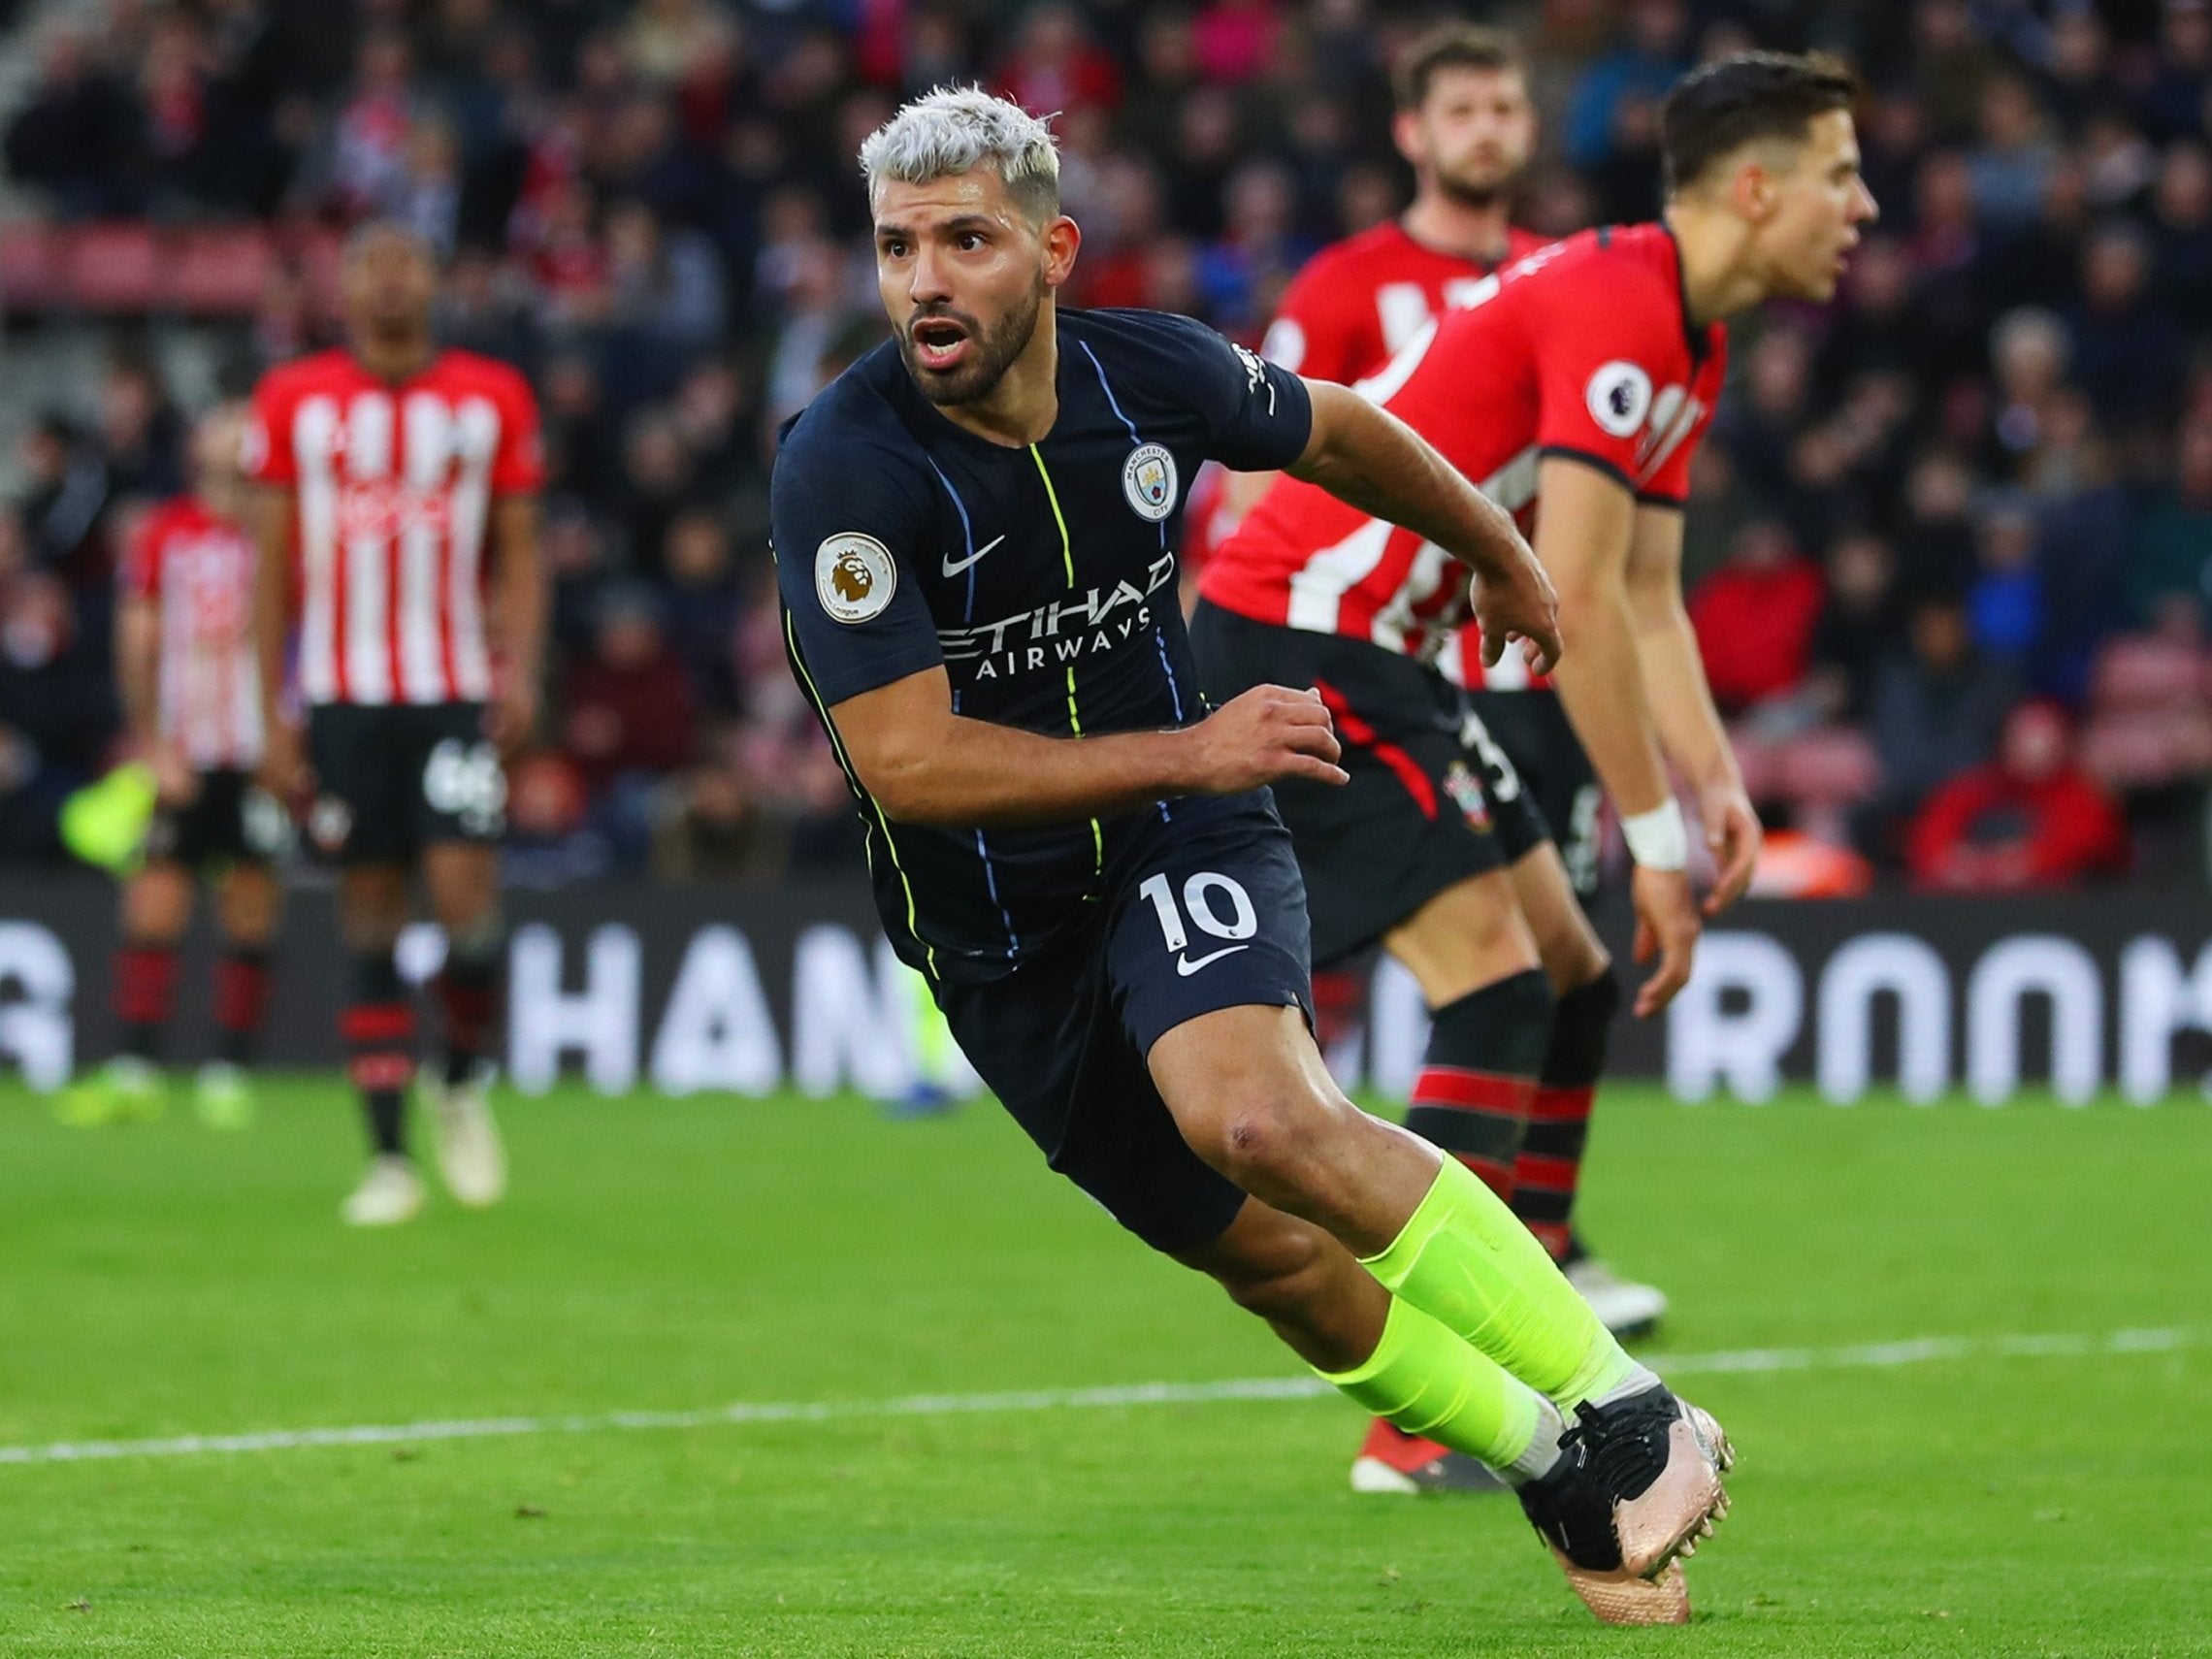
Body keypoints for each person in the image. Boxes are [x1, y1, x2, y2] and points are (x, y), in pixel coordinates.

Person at [772, 86, 1732, 1627]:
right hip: (1003, 942)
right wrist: (1196, 743)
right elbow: (904, 763)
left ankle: (1629, 1408)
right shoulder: (844, 468)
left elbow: (1341, 428)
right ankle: (1554, 1462)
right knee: (1273, 1265)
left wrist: (1497, 545)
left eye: (967, 240)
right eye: (897, 249)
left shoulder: (1142, 371)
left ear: (1055, 250)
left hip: (1173, 837)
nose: (926, 283)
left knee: (1262, 1120)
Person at [1196, 49, 1872, 1485]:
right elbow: (1569, 602)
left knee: (1565, 973)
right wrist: (1662, 848)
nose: (1862, 206)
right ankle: (1423, 1419)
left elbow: (1645, 593)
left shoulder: (1682, 326)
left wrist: (1714, 779)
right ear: (1756, 189)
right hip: (1306, 629)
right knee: (1496, 980)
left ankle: (1534, 1302)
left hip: (1397, 648)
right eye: (1841, 173)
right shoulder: (1625, 311)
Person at [1231, 26, 1671, 1431]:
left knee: (1571, 969)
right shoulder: (1350, 288)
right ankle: (1436, 1386)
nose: (1489, 128)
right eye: (1463, 108)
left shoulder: (1551, 275)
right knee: (1481, 966)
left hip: (1514, 657)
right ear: (1415, 133)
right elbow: (1277, 461)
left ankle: (1539, 1260)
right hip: (1360, 646)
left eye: (1505, 106)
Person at [249, 221, 547, 1227]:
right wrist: (272, 713)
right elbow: (268, 567)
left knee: (473, 916)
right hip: (339, 698)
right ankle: (387, 1163)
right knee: (369, 916)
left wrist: (523, 671)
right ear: (341, 287)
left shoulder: (491, 396)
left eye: (404, 265)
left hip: (451, 688)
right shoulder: (292, 399)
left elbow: (518, 550)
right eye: (368, 268)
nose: (387, 284)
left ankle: (458, 1077)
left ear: (431, 280)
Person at [57, 407, 284, 1130]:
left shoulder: (284, 535)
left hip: (258, 752)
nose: (233, 441)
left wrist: (293, 745)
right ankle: (136, 1066)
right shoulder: (165, 534)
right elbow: (136, 646)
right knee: (154, 902)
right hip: (185, 748)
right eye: (223, 429)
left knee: (251, 902)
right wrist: (153, 743)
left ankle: (230, 1071)